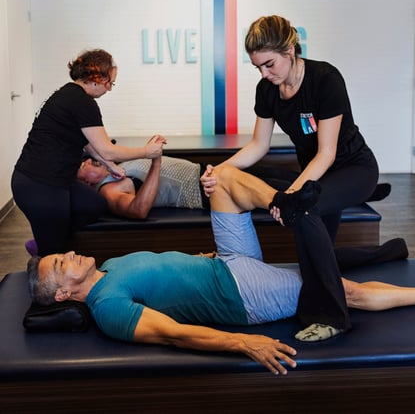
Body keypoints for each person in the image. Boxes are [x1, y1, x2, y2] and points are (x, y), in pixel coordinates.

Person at [27, 165, 411, 375]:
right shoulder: (108, 307)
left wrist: (202, 258)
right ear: (63, 293)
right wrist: (244, 343)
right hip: (239, 294)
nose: (71, 253)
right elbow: (174, 335)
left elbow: (165, 270)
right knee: (341, 289)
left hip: (225, 261)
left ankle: (286, 203)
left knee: (222, 178)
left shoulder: (109, 267)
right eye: (61, 262)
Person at [201, 15, 390, 340]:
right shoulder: (268, 89)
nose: (265, 74)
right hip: (314, 175)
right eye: (258, 67)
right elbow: (258, 145)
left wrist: (292, 195)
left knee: (304, 208)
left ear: (289, 50)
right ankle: (390, 251)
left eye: (269, 64)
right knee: (320, 249)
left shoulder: (325, 79)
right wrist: (220, 170)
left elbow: (327, 153)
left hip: (352, 169)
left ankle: (332, 318)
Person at [11, 49, 167, 257]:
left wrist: (110, 166)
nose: (109, 89)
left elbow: (89, 144)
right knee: (53, 254)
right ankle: (45, 248)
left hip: (53, 180)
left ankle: (48, 235)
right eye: (110, 83)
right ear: (96, 77)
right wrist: (147, 151)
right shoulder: (82, 102)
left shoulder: (70, 94)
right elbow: (107, 149)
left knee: (94, 204)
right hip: (40, 184)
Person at [77, 155, 209, 219]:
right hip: (200, 189)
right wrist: (156, 162)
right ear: (87, 183)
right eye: (83, 166)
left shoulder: (114, 170)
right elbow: (138, 211)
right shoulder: (108, 190)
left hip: (204, 173)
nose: (87, 161)